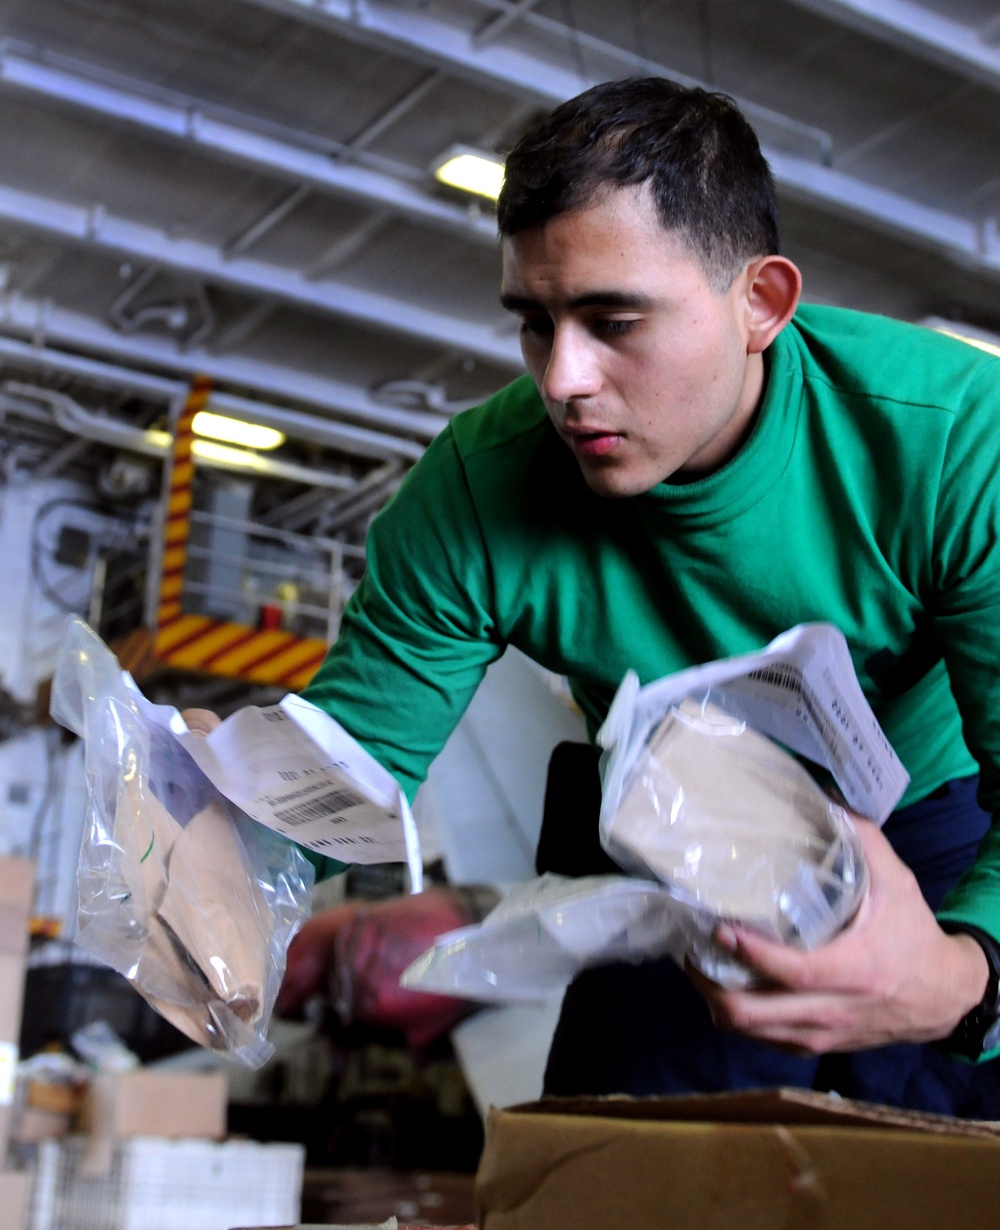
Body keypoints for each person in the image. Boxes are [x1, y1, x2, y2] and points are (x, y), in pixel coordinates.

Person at [189, 77, 1000, 1114]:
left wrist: (964, 981)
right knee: (633, 1169)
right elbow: (352, 766)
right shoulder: (477, 487)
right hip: (665, 845)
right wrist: (202, 825)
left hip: (930, 835)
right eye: (534, 323)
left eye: (614, 321)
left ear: (761, 305)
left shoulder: (951, 443)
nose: (562, 379)